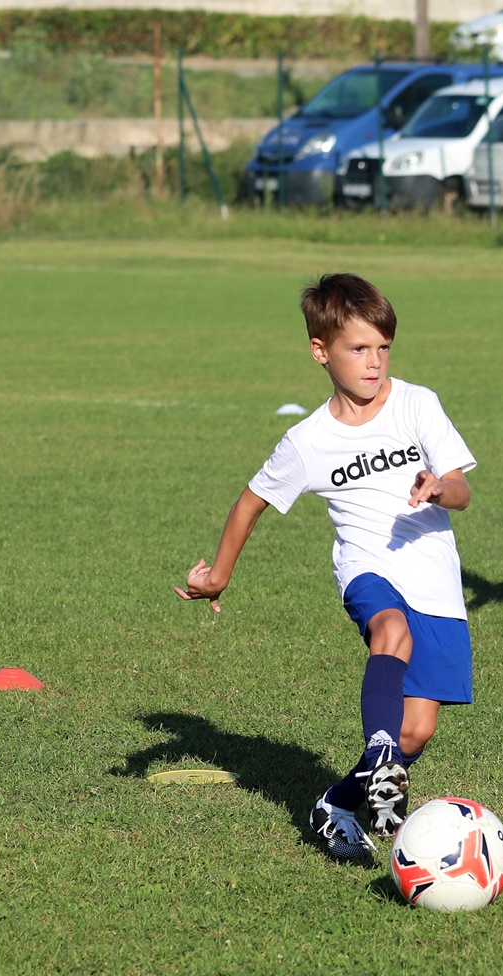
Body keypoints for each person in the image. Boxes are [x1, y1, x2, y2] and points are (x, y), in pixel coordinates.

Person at [176, 273, 477, 859]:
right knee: (391, 630)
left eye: (383, 347)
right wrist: (219, 576)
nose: (374, 361)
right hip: (367, 566)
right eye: (358, 348)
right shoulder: (308, 440)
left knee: (419, 729)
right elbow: (250, 503)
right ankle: (381, 752)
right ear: (321, 351)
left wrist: (440, 487)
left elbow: (461, 489)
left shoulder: (417, 403)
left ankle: (337, 801)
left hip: (435, 576)